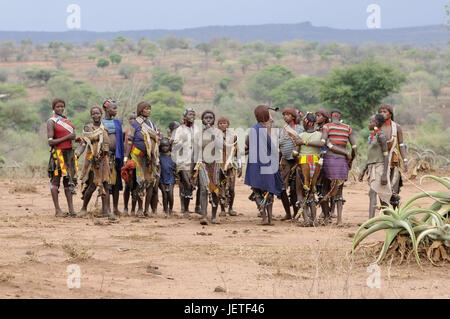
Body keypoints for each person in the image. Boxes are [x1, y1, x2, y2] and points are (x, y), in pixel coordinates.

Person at [245, 105, 283, 225]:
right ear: (266, 115)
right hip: (270, 163)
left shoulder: (253, 129)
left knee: (257, 190)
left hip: (255, 163)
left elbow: (247, 144)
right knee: (269, 190)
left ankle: (264, 217)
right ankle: (270, 218)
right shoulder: (273, 128)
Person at [76, 106, 115, 220]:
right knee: (92, 185)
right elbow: (84, 143)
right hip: (92, 160)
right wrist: (78, 154)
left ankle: (106, 210)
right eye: (93, 114)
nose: (96, 116)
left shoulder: (104, 127)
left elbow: (106, 144)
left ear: (101, 114)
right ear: (91, 115)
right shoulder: (88, 128)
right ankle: (83, 209)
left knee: (106, 185)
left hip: (104, 160)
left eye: (98, 113)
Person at [319, 109, 356, 225]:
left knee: (324, 189)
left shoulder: (327, 127)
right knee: (339, 190)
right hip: (342, 162)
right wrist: (350, 160)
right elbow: (354, 147)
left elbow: (324, 142)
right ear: (340, 117)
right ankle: (339, 220)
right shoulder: (347, 128)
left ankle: (326, 217)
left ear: (331, 116)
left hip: (329, 160)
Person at [124, 101, 160, 217]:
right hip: (137, 156)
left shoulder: (152, 124)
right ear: (140, 110)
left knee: (150, 182)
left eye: (149, 108)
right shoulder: (135, 124)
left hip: (150, 158)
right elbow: (130, 141)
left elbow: (155, 141)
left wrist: (155, 158)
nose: (148, 110)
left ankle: (146, 209)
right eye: (146, 109)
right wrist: (126, 157)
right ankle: (139, 209)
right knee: (140, 182)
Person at [47, 98, 78, 217]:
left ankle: (71, 210)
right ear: (53, 108)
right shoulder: (51, 122)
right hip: (58, 155)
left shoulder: (66, 121)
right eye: (57, 107)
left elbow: (70, 137)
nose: (60, 108)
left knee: (68, 181)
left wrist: (76, 139)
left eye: (62, 106)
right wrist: (67, 138)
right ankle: (58, 210)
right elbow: (51, 142)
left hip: (69, 154)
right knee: (55, 181)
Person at [293, 113, 323, 226]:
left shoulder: (300, 136)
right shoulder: (319, 135)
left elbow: (295, 153)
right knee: (311, 192)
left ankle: (305, 220)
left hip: (302, 166)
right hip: (315, 167)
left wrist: (296, 149)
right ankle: (314, 220)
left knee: (300, 192)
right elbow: (322, 145)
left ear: (305, 123)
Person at [359, 114, 391, 219]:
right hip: (372, 167)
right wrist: (363, 170)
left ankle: (371, 222)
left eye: (370, 122)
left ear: (376, 123)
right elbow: (370, 156)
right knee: (381, 196)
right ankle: (389, 220)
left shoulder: (381, 136)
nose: (369, 124)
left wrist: (384, 175)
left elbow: (386, 156)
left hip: (380, 167)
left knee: (373, 192)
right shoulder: (374, 135)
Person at [194, 110, 223, 225]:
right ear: (202, 120)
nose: (208, 120)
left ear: (214, 120)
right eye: (206, 118)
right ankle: (204, 215)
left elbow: (220, 146)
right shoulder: (198, 134)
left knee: (215, 189)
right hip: (203, 164)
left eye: (211, 118)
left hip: (215, 163)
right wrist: (193, 167)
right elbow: (196, 152)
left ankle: (214, 216)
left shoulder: (218, 132)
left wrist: (211, 132)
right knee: (203, 189)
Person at [378, 104, 407, 209]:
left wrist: (405, 160)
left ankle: (395, 214)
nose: (382, 114)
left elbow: (401, 144)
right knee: (381, 189)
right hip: (380, 163)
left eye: (384, 112)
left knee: (394, 190)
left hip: (394, 163)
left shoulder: (396, 127)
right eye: (380, 112)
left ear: (390, 114)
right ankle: (385, 214)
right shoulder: (377, 127)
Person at [279, 107, 303, 220]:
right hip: (285, 162)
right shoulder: (281, 130)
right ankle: (287, 213)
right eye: (284, 114)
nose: (285, 117)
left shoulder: (300, 129)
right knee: (281, 188)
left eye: (288, 114)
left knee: (294, 189)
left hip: (297, 162)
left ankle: (296, 214)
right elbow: (280, 147)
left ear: (293, 116)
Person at [101, 99, 124, 217]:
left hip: (116, 156)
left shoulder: (117, 122)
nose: (116, 110)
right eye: (113, 108)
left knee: (116, 183)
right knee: (107, 183)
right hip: (105, 157)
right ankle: (106, 208)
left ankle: (115, 208)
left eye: (116, 108)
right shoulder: (101, 122)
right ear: (106, 109)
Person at [172, 107, 197, 216]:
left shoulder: (197, 129)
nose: (192, 116)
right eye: (189, 114)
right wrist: (183, 141)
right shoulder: (180, 129)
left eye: (193, 114)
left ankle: (186, 208)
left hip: (194, 162)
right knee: (185, 185)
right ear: (184, 117)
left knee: (190, 185)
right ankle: (184, 208)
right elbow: (175, 145)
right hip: (183, 161)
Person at [217, 116, 242, 217]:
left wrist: (239, 166)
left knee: (231, 188)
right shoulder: (215, 136)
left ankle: (231, 208)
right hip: (218, 166)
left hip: (230, 166)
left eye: (225, 123)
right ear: (217, 125)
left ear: (228, 125)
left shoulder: (234, 137)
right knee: (220, 187)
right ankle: (222, 209)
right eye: (220, 123)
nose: (223, 125)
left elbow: (237, 152)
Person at [123, 112, 137, 216]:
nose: (132, 120)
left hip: (138, 160)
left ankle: (134, 209)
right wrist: (125, 158)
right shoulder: (127, 131)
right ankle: (125, 208)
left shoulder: (140, 130)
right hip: (128, 160)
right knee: (127, 185)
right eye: (130, 119)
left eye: (134, 118)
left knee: (137, 186)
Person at [159, 137, 176, 216]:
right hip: (162, 178)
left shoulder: (172, 156)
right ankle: (165, 210)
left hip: (170, 178)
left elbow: (175, 167)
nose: (165, 148)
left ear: (169, 146)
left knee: (170, 195)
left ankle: (171, 209)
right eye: (163, 146)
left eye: (166, 146)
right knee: (164, 195)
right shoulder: (159, 156)